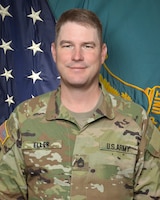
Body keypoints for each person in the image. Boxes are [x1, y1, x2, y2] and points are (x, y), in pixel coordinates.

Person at [0, 8, 159, 200]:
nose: (77, 56)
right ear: (54, 52)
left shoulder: (137, 121)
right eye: (67, 45)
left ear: (102, 53)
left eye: (88, 46)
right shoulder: (23, 118)